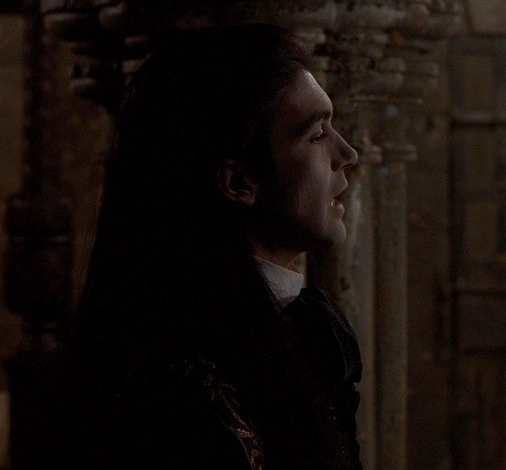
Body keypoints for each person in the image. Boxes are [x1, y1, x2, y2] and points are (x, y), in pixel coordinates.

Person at [57, 24, 361, 469]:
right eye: (316, 135)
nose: (347, 153)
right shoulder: (168, 379)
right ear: (238, 182)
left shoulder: (313, 331)